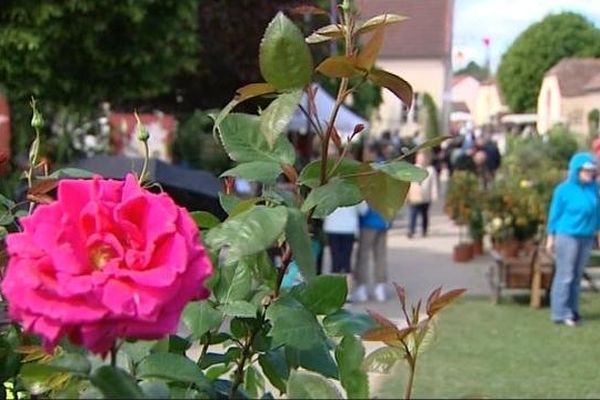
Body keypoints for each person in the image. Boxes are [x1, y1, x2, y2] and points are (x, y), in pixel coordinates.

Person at [546, 152, 600, 327]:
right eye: (586, 170)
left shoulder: (593, 189)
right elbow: (555, 214)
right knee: (566, 274)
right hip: (567, 235)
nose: (590, 173)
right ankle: (560, 312)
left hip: (586, 236)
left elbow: (596, 212)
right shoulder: (563, 190)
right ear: (576, 170)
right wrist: (550, 237)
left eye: (592, 171)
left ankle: (573, 310)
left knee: (577, 276)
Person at [352, 202, 390, 302]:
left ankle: (362, 287)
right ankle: (380, 287)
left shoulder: (365, 188)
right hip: (382, 222)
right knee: (380, 256)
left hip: (367, 223)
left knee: (363, 257)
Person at [323, 204, 361, 294]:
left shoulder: (330, 192)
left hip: (332, 227)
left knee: (335, 260)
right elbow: (362, 210)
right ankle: (347, 292)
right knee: (346, 261)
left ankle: (334, 291)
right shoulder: (355, 192)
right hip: (349, 228)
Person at [407, 152, 439, 238]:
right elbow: (408, 182)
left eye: (423, 158)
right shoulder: (412, 169)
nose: (421, 160)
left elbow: (434, 184)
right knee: (413, 213)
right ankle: (411, 230)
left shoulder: (431, 170)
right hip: (415, 196)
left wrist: (434, 195)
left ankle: (424, 230)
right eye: (419, 158)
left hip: (426, 196)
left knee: (424, 214)